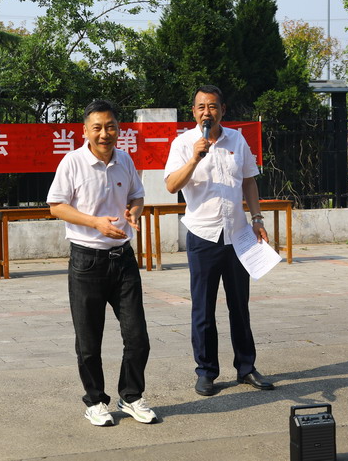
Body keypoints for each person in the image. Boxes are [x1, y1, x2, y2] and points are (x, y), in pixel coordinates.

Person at [47, 99, 158, 426]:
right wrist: (95, 222)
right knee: (88, 341)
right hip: (87, 261)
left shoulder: (125, 160)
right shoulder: (72, 162)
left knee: (138, 337)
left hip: (123, 259)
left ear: (118, 129)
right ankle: (95, 401)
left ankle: (131, 396)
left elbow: (137, 195)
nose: (104, 134)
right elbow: (56, 206)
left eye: (110, 127)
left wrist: (134, 211)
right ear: (85, 131)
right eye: (97, 127)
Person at [164, 85, 275, 396]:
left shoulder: (237, 140)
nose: (206, 112)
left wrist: (257, 219)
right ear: (193, 112)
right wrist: (194, 159)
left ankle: (246, 367)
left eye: (212, 106)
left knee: (240, 306)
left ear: (222, 110)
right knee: (203, 308)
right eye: (201, 107)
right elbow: (171, 185)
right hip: (203, 236)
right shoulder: (183, 144)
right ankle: (206, 372)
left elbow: (249, 181)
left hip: (237, 235)